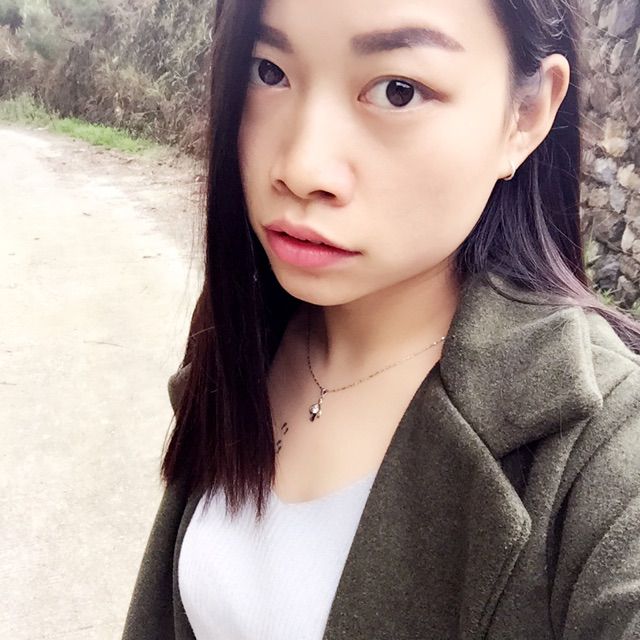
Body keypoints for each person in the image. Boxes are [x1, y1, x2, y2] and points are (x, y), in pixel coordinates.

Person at [122, 0, 640, 637]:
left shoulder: (602, 450)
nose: (301, 168)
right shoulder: (248, 333)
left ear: (526, 113)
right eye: (269, 71)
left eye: (398, 90)